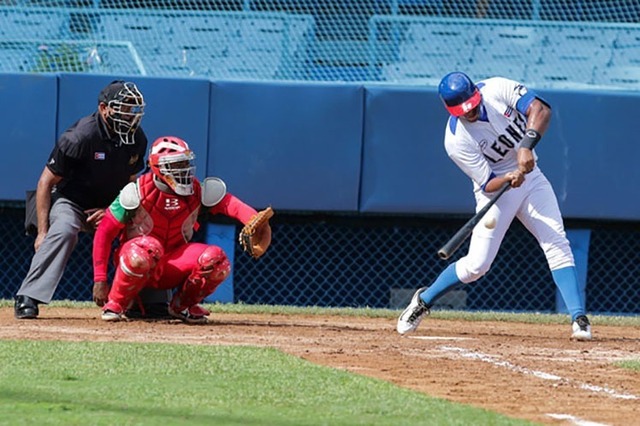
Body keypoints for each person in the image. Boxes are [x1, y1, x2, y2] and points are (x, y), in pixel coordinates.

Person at [397, 71, 592, 340]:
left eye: (473, 106)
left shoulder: (497, 88)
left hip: (532, 178)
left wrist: (526, 146)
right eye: (465, 111)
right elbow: (487, 182)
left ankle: (578, 318)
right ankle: (423, 300)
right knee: (477, 265)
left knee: (556, 242)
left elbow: (541, 109)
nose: (471, 113)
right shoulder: (455, 140)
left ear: (476, 95)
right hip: (497, 192)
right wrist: (507, 178)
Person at [92, 135, 272, 323]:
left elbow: (231, 205)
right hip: (138, 259)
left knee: (217, 260)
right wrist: (100, 279)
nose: (183, 170)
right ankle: (116, 303)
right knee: (147, 247)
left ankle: (181, 306)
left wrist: (253, 220)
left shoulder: (198, 190)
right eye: (176, 165)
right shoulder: (135, 191)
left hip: (173, 263)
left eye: (185, 163)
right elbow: (104, 233)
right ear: (158, 167)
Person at [14, 80, 155, 319]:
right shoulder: (80, 137)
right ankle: (28, 296)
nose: (130, 114)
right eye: (123, 107)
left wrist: (114, 209)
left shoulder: (137, 139)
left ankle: (149, 301)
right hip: (72, 202)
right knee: (65, 229)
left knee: (145, 228)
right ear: (104, 109)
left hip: (111, 205)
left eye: (133, 108)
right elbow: (45, 183)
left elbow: (131, 184)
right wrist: (42, 232)